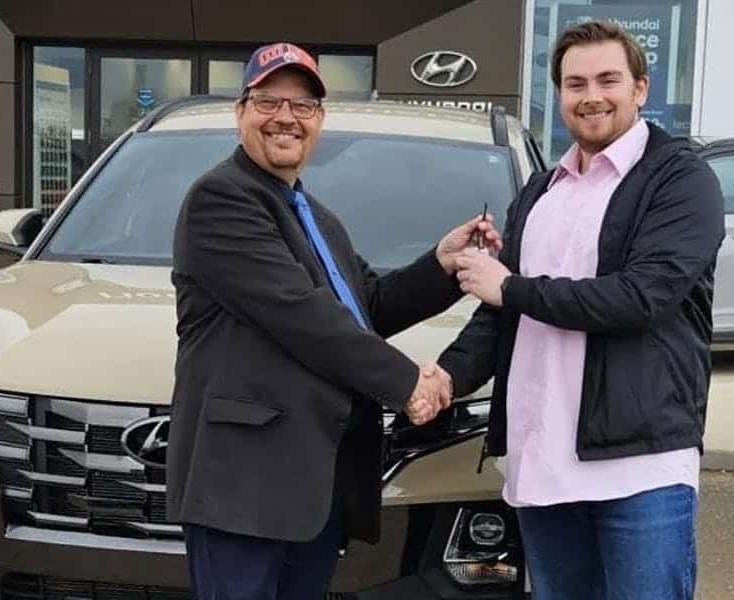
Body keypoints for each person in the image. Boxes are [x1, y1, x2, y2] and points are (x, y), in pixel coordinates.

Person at [167, 42, 499, 599]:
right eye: (269, 101)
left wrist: (441, 263)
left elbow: (367, 305)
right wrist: (408, 382)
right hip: (243, 490)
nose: (286, 119)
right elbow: (304, 316)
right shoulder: (221, 200)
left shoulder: (314, 215)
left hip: (313, 488)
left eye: (303, 107)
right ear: (241, 111)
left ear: (319, 121)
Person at [438, 21, 725, 600]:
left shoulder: (680, 179)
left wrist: (511, 287)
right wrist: (444, 376)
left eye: (608, 79)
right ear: (560, 96)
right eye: (575, 83)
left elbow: (643, 296)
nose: (591, 95)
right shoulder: (541, 192)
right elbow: (500, 315)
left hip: (639, 465)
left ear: (640, 88)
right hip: (542, 466)